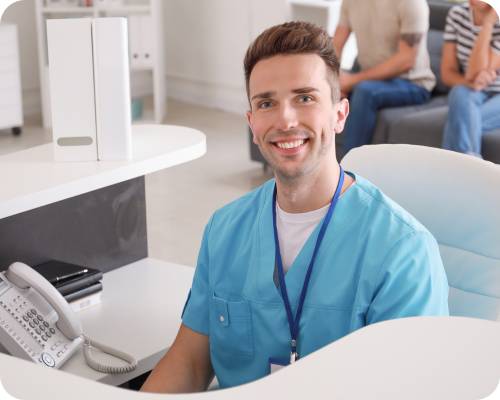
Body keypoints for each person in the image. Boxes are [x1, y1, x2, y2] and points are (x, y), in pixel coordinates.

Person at [141, 21, 449, 394]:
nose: (285, 121)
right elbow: (188, 363)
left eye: (304, 98)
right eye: (267, 103)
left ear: (339, 114)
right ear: (253, 124)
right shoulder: (224, 230)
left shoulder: (404, 251)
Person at [332, 0, 436, 156]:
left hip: (412, 82)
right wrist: (333, 81)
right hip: (368, 76)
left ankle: (348, 169)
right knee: (324, 89)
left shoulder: (412, 3)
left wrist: (351, 81)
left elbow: (406, 60)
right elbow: (336, 45)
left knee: (364, 91)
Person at [441, 0, 500, 157]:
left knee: (460, 119)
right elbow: (448, 74)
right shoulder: (457, 15)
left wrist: (487, 24)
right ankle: (473, 164)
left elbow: (476, 70)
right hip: (474, 90)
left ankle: (454, 169)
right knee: (459, 91)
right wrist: (470, 81)